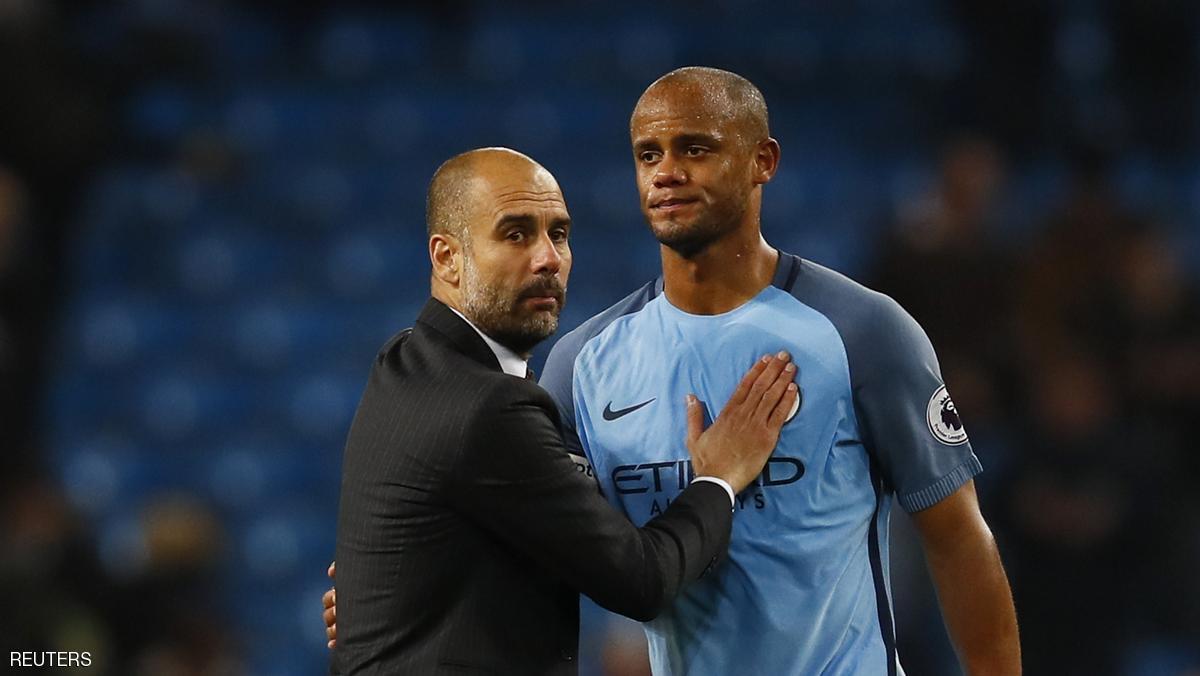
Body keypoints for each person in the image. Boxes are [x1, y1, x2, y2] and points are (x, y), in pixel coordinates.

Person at [326, 69, 1021, 674]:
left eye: (696, 148)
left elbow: (957, 534)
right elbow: (549, 544)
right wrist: (402, 592)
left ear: (763, 160)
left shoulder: (863, 332)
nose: (666, 172)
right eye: (648, 153)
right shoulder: (581, 365)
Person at [330, 146, 799, 675]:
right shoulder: (489, 408)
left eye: (558, 233)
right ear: (446, 258)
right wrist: (719, 479)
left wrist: (388, 594)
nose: (548, 258)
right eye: (515, 234)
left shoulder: (404, 360)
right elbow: (641, 582)